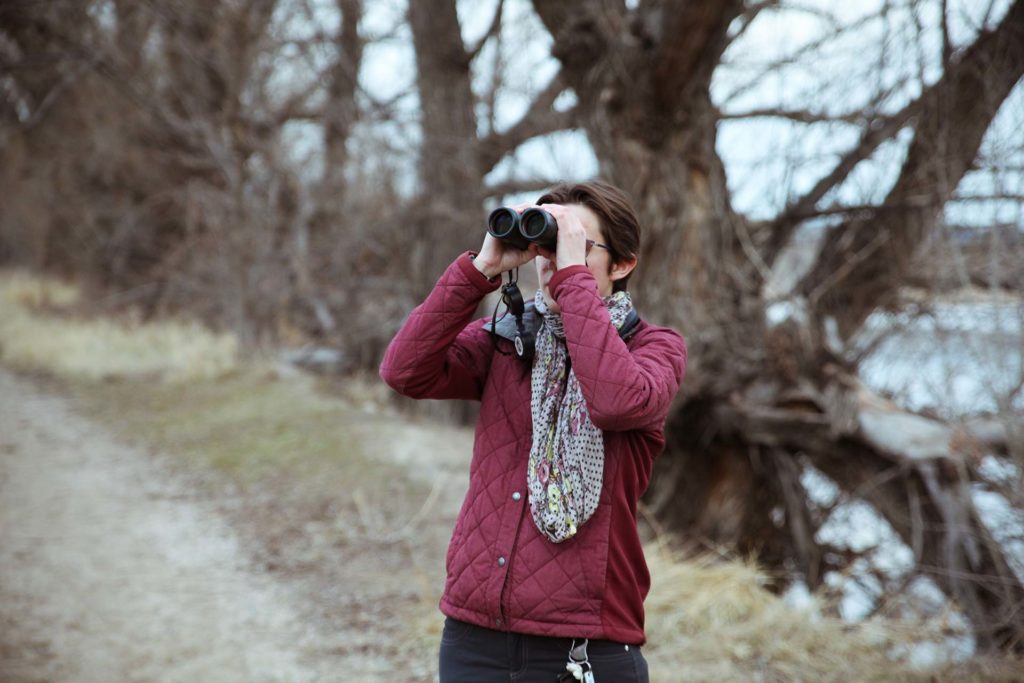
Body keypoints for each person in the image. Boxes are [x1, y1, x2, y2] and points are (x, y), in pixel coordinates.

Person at [379, 180, 687, 683]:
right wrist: (478, 271)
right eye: (548, 246)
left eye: (576, 246)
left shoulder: (654, 350)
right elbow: (404, 371)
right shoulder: (508, 338)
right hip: (475, 635)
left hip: (586, 645)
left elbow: (614, 401)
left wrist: (571, 281)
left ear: (623, 263)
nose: (552, 262)